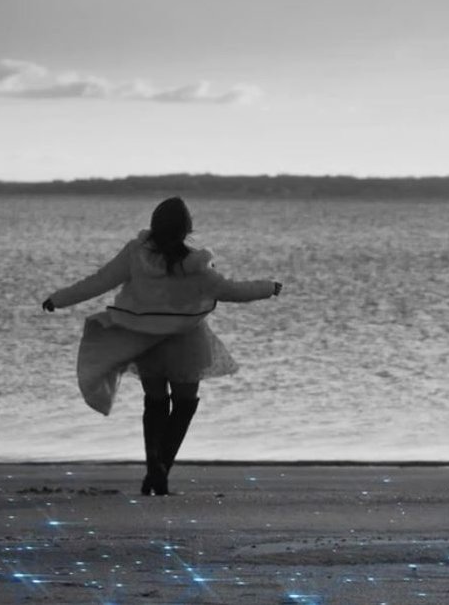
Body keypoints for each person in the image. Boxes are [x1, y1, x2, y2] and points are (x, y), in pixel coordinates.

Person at [42, 197, 281, 496]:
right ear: (186, 229)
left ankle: (153, 462)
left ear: (155, 224)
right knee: (184, 404)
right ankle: (162, 469)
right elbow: (230, 290)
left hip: (145, 341)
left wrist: (58, 298)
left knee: (155, 403)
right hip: (187, 343)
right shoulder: (196, 265)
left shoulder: (135, 254)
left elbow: (99, 281)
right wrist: (268, 287)